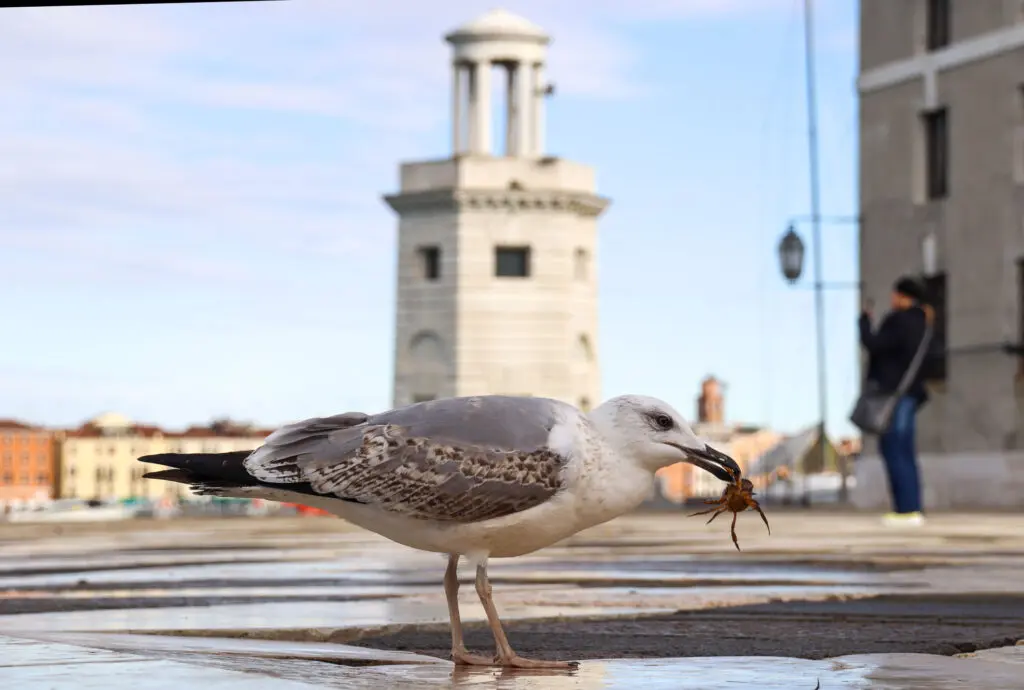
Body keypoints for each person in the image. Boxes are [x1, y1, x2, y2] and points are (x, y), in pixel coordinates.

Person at [858, 276, 934, 527]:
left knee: (893, 449)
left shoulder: (898, 321)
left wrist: (864, 322)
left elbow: (874, 345)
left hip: (893, 393)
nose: (892, 300)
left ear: (903, 296)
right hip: (910, 394)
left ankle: (905, 510)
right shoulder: (925, 324)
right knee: (905, 451)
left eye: (895, 295)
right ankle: (913, 508)